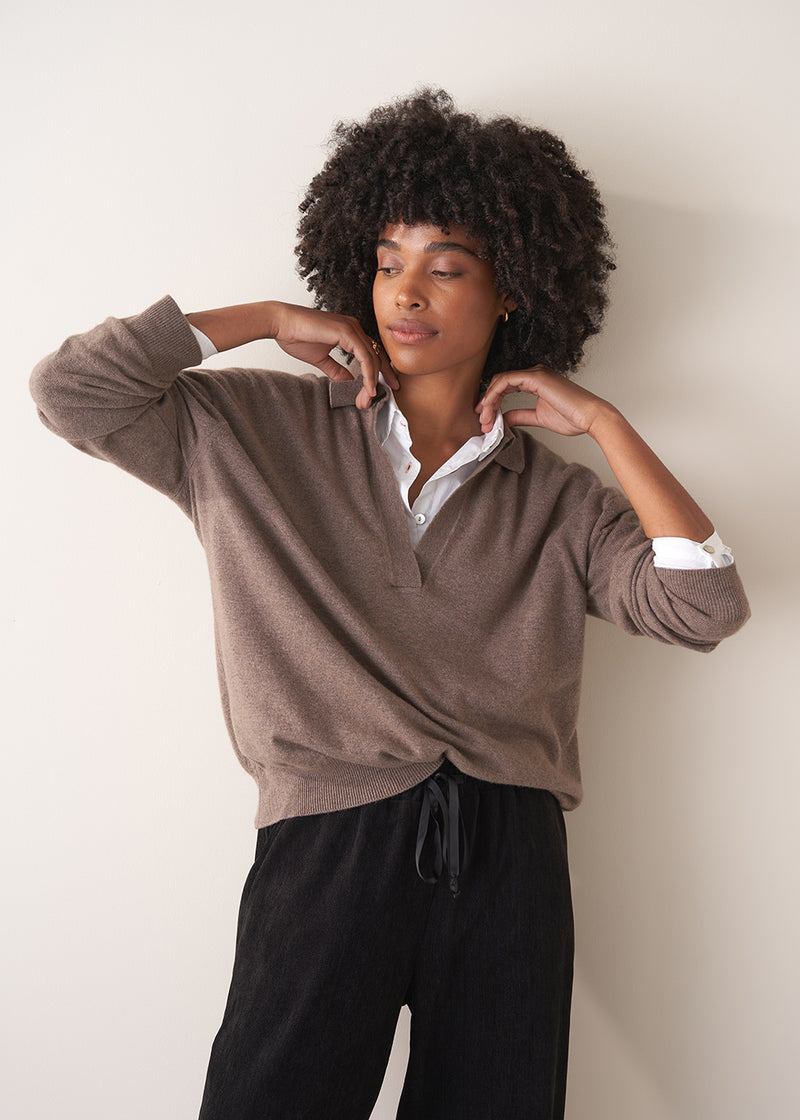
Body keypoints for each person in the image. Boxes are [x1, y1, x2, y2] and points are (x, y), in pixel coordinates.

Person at [30, 89, 749, 1120]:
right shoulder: (247, 430)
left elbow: (703, 604)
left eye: (445, 266)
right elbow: (72, 392)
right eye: (385, 261)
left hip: (509, 856)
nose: (405, 292)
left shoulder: (555, 499)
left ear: (512, 291)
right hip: (327, 838)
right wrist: (267, 319)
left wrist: (601, 424)